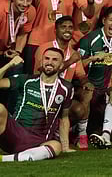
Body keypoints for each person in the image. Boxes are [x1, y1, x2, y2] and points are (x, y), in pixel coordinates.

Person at [0, 49, 72, 166]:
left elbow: (64, 117)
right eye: (47, 58)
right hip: (15, 134)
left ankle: (0, 159)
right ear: (41, 61)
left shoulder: (66, 88)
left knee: (57, 146)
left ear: (61, 64)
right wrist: (9, 65)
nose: (50, 62)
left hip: (39, 142)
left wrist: (65, 146)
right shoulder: (26, 80)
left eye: (55, 60)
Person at [34, 16, 90, 150]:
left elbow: (81, 74)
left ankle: (81, 133)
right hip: (42, 95)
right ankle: (51, 133)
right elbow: (43, 72)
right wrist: (70, 61)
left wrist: (86, 82)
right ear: (56, 30)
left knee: (83, 100)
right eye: (63, 27)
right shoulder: (45, 49)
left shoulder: (73, 52)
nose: (67, 30)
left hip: (62, 98)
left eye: (70, 27)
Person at [78, 8, 112, 136]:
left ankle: (108, 131)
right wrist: (91, 59)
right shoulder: (89, 40)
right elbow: (77, 66)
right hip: (86, 88)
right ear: (104, 21)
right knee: (88, 94)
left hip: (104, 90)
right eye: (111, 20)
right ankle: (81, 134)